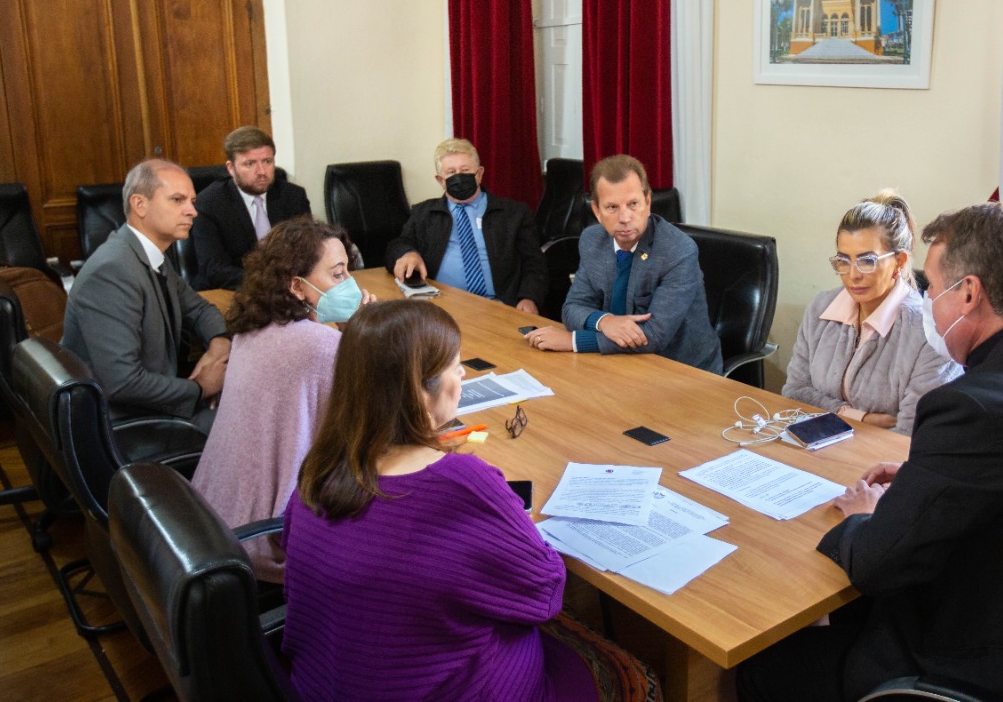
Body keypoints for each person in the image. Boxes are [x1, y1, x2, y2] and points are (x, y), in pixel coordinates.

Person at [736, 201, 1003, 702]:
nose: (923, 301)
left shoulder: (972, 407)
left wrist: (861, 517)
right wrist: (927, 477)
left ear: (968, 294)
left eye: (928, 286)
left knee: (765, 663)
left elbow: (878, 564)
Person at [281, 301, 657, 701]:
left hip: (322, 684)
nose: (462, 376)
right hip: (452, 690)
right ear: (420, 391)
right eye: (455, 367)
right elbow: (545, 594)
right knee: (629, 672)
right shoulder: (463, 484)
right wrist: (498, 509)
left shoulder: (319, 467)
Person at [191, 216, 374, 583]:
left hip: (211, 519)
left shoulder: (252, 328)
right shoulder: (319, 346)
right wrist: (361, 335)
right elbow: (375, 424)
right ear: (297, 286)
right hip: (264, 541)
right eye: (338, 275)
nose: (351, 284)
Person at [62, 159, 230, 432]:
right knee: (258, 427)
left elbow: (200, 309)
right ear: (140, 204)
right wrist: (199, 388)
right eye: (177, 200)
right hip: (129, 422)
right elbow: (122, 383)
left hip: (157, 400)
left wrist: (219, 345)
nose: (192, 211)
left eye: (192, 200)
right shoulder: (112, 271)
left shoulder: (151, 256)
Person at [524, 155, 722, 373]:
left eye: (633, 204)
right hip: (616, 362)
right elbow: (572, 308)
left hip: (681, 370)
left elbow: (654, 336)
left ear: (647, 203)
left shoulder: (678, 251)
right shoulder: (592, 241)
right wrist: (605, 321)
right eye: (612, 207)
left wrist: (573, 341)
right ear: (597, 212)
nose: (625, 217)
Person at [782, 192, 960, 434]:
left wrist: (828, 412)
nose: (853, 275)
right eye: (843, 261)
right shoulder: (821, 307)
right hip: (816, 446)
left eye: (867, 261)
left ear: (899, 262)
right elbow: (794, 393)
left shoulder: (930, 331)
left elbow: (912, 432)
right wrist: (856, 416)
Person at [385, 138, 546, 314]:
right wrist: (407, 253)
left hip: (499, 305)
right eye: (451, 172)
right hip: (442, 306)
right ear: (440, 180)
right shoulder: (424, 213)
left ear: (479, 173)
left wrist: (529, 298)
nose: (459, 177)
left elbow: (535, 264)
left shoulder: (513, 214)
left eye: (465, 170)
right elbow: (397, 244)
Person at [189, 126, 312, 290]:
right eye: (250, 163)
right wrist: (270, 284)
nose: (261, 172)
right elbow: (214, 269)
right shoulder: (208, 204)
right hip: (233, 290)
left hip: (288, 290)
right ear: (231, 168)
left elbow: (307, 251)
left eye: (267, 162)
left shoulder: (293, 196)